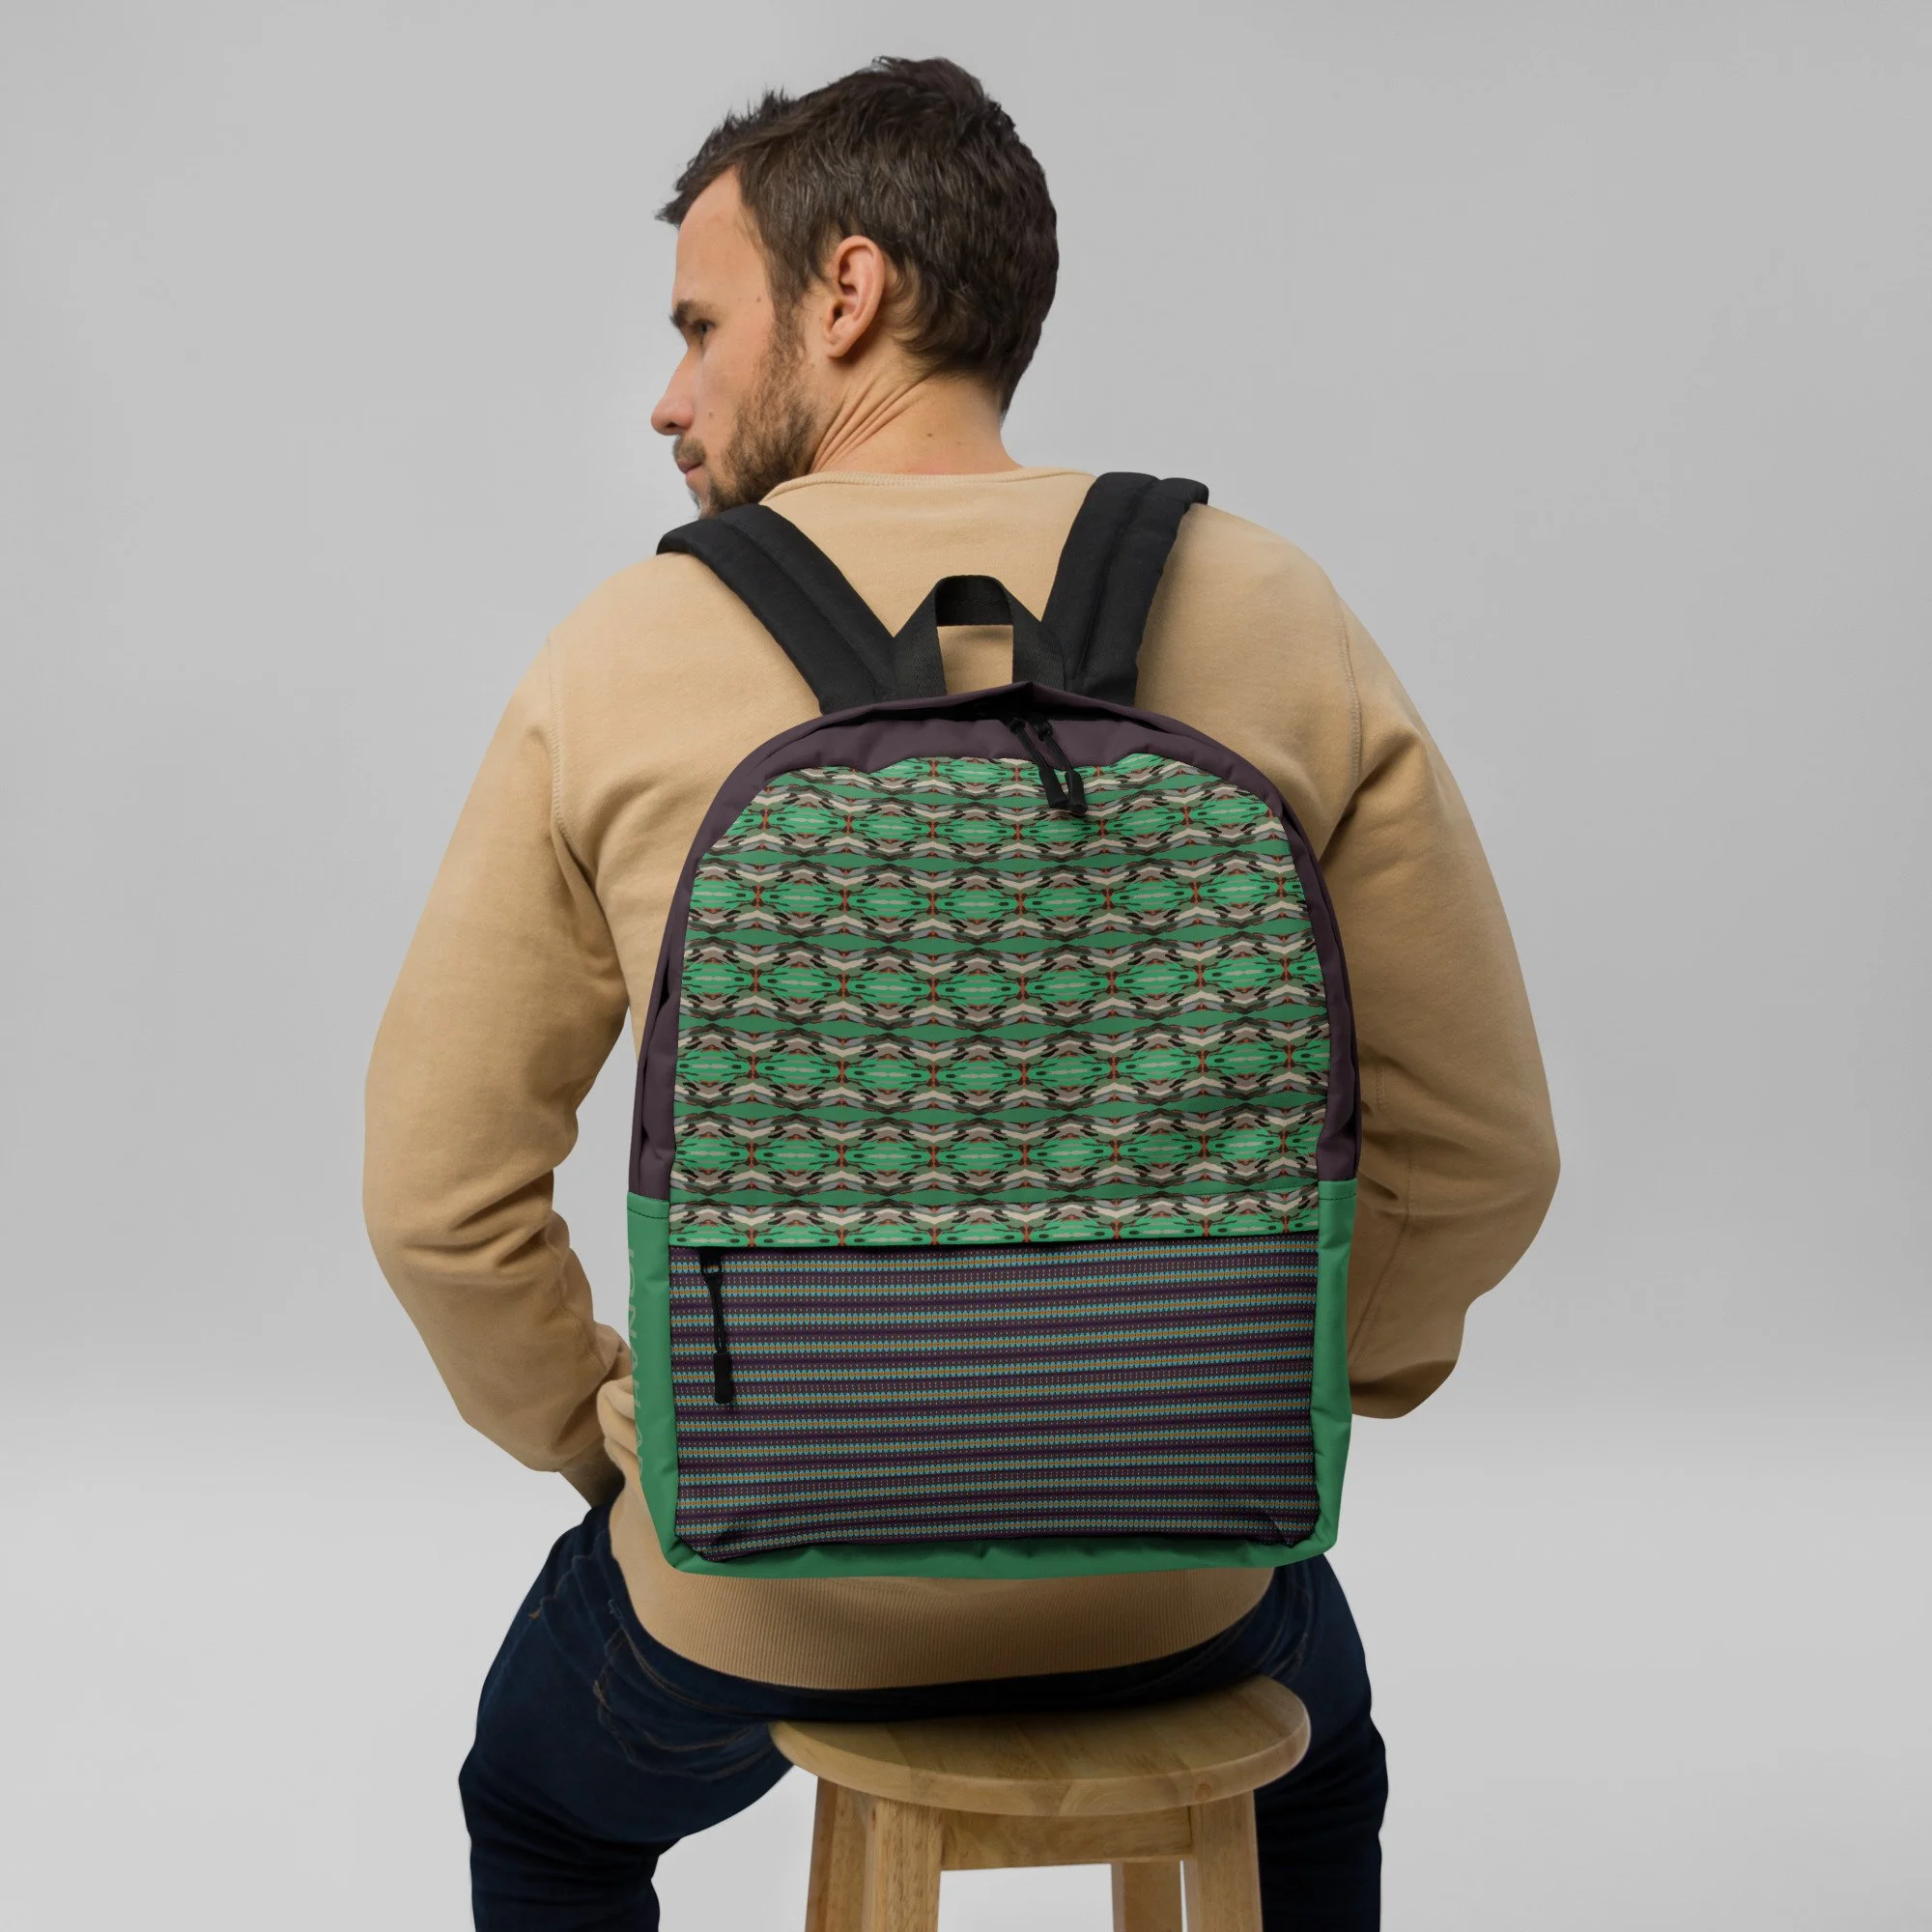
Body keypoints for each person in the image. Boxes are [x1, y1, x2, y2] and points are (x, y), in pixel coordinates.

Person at [363, 55, 1559, 1931]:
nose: (669, 397)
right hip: (1182, 1579)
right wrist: (1289, 1382)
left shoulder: (621, 653)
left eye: (699, 326)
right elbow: (1484, 1152)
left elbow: (437, 1201)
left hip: (752, 1586)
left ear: (847, 291)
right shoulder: (1273, 607)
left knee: (546, 1813)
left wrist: (625, 1446)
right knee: (1320, 1765)